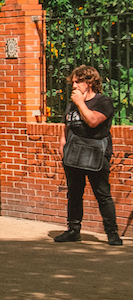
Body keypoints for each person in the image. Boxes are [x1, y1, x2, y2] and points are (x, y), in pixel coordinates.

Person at [56, 65, 120, 244]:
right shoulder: (72, 104)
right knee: (74, 193)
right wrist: (62, 145)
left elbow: (92, 121)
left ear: (90, 82)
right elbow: (67, 126)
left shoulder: (103, 102)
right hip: (74, 154)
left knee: (102, 194)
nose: (74, 86)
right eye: (73, 82)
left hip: (96, 155)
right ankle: (73, 230)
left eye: (78, 82)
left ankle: (112, 233)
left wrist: (80, 103)